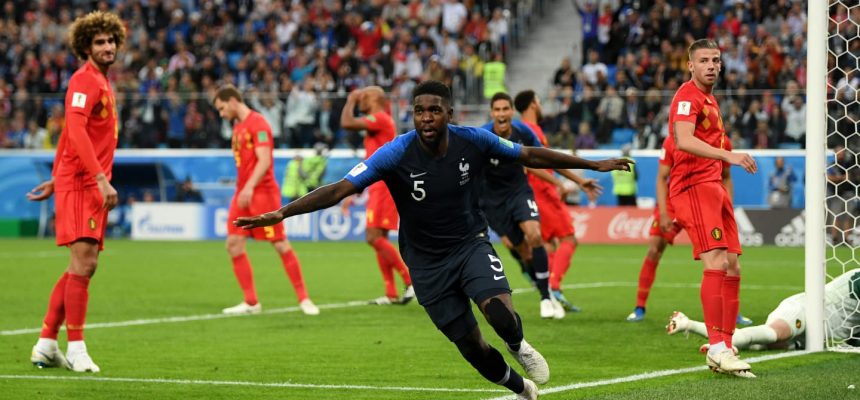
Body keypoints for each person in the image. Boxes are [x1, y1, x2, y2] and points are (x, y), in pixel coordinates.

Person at [234, 80, 633, 399]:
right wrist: (283, 211)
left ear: (449, 114)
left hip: (469, 243)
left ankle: (518, 344)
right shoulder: (395, 153)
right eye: (420, 111)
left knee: (498, 313)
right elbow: (340, 188)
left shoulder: (473, 140)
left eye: (434, 111)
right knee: (472, 347)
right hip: (425, 261)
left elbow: (529, 154)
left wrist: (590, 163)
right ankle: (521, 388)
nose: (426, 118)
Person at [26, 11, 126, 373]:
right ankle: (77, 346)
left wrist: (55, 178)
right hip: (85, 182)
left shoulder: (99, 81)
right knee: (85, 263)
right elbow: (77, 131)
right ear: (86, 46)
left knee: (80, 265)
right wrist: (98, 178)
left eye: (111, 40)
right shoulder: (85, 81)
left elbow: (70, 136)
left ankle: (46, 343)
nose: (108, 46)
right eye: (99, 42)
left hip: (80, 179)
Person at [669, 39, 758, 378]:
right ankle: (717, 348)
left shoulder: (710, 99)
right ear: (690, 65)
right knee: (716, 261)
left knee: (733, 265)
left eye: (716, 60)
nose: (711, 65)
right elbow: (684, 139)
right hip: (693, 186)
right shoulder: (686, 96)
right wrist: (728, 156)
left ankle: (727, 345)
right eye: (704, 60)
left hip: (714, 187)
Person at [213, 84, 319, 316]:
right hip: (243, 192)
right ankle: (251, 302)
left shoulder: (258, 123)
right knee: (233, 244)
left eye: (221, 108)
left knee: (280, 244)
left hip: (261, 192)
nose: (221, 114)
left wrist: (249, 186)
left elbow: (263, 160)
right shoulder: (238, 126)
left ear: (232, 101)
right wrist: (243, 187)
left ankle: (304, 299)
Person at [626, 134, 753, 328]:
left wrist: (726, 208)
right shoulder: (674, 140)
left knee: (727, 260)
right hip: (674, 201)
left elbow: (726, 178)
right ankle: (639, 307)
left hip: (707, 202)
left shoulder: (722, 140)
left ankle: (731, 314)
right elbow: (662, 177)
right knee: (654, 250)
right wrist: (663, 213)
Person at [513, 89, 603, 312]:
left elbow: (540, 162)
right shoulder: (530, 130)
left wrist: (570, 182)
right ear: (533, 105)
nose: (541, 105)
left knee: (550, 244)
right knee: (569, 239)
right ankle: (553, 288)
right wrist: (559, 184)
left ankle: (547, 291)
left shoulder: (528, 130)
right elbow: (532, 164)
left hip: (535, 193)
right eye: (539, 101)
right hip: (542, 192)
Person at [480, 92, 563, 320]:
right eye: (497, 110)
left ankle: (546, 297)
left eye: (505, 109)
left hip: (519, 192)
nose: (501, 114)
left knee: (534, 235)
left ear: (512, 111)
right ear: (491, 113)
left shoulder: (522, 132)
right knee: (523, 251)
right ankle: (544, 289)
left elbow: (541, 158)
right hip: (493, 203)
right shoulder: (483, 136)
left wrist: (565, 181)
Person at [340, 86, 414, 305]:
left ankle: (410, 279)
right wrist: (355, 191)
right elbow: (371, 159)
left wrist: (350, 100)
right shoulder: (379, 122)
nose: (360, 100)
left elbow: (347, 123)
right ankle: (390, 292)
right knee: (378, 238)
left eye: (363, 97)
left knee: (372, 237)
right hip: (378, 184)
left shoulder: (380, 118)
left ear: (373, 99)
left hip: (384, 185)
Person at [668, 268, 860, 351]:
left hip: (815, 336)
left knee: (762, 345)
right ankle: (701, 333)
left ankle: (715, 341)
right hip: (803, 311)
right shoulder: (857, 279)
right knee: (773, 334)